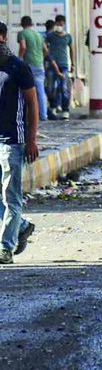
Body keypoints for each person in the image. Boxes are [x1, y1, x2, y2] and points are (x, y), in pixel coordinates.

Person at [0, 23, 38, 264]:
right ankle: (22, 226)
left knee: (10, 198)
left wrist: (32, 139)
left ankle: (6, 247)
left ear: (3, 38)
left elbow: (32, 105)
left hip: (12, 142)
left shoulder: (18, 67)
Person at [16, 16, 48, 122]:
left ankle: (27, 115)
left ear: (22, 24)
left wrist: (19, 59)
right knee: (40, 90)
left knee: (26, 91)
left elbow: (23, 47)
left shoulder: (22, 33)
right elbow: (46, 50)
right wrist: (41, 58)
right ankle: (43, 115)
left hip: (28, 66)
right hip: (40, 65)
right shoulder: (39, 35)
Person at [45, 15, 72, 119]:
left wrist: (72, 64)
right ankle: (53, 106)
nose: (60, 25)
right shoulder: (51, 36)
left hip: (64, 65)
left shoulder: (68, 36)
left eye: (61, 23)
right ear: (55, 23)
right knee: (50, 88)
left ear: (64, 24)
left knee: (63, 88)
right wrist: (48, 57)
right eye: (58, 23)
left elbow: (71, 49)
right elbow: (44, 46)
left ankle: (65, 110)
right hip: (52, 65)